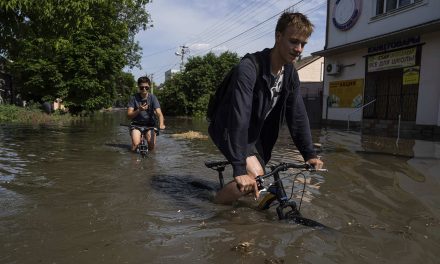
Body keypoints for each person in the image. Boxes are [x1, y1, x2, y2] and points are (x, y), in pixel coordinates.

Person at [208, 12, 324, 204]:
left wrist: (309, 154)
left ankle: (235, 206)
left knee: (258, 182)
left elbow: (297, 115)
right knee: (256, 176)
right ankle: (212, 206)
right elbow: (239, 115)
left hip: (254, 134)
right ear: (278, 37)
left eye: (303, 44)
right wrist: (238, 167)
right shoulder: (249, 68)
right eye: (294, 41)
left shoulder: (290, 74)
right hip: (228, 127)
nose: (299, 49)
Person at [127, 76, 166, 152]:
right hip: (136, 125)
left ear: (149, 87)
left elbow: (159, 113)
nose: (144, 89)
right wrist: (139, 110)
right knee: (135, 144)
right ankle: (133, 161)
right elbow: (129, 115)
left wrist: (161, 124)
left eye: (146, 87)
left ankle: (151, 162)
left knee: (151, 145)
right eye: (142, 87)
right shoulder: (133, 98)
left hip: (150, 125)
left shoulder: (153, 98)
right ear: (138, 87)